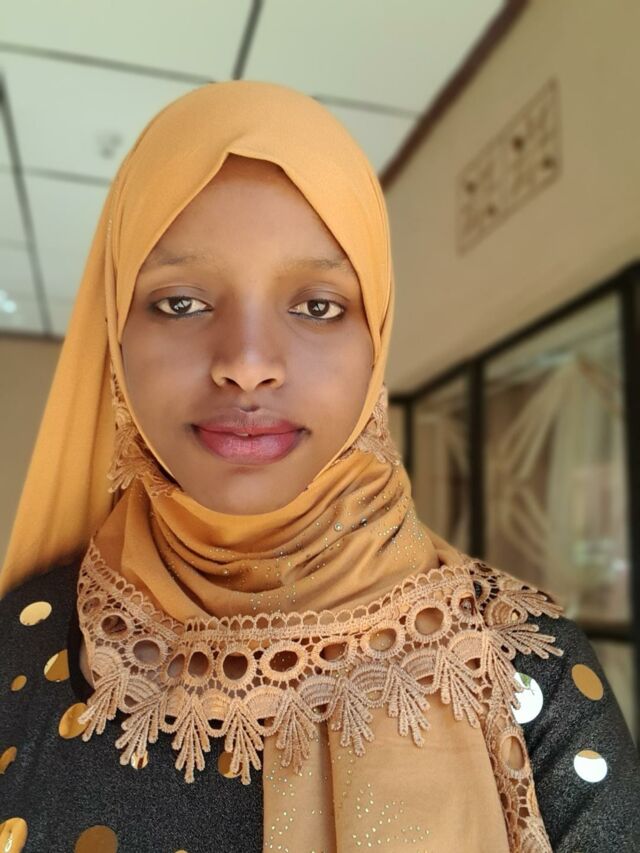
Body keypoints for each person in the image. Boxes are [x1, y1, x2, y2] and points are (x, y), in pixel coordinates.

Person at [0, 80, 638, 853]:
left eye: (318, 305)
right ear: (117, 337)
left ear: (376, 342)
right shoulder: (24, 643)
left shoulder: (523, 666)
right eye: (180, 302)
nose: (247, 363)